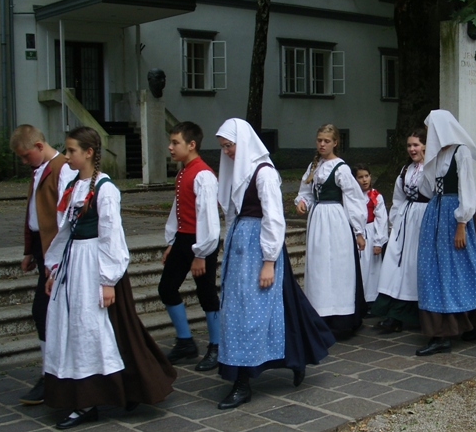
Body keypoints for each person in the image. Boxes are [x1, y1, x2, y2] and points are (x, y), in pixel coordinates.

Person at [44, 127, 175, 429]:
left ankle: (95, 399)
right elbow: (65, 231)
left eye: (72, 151)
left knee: (100, 330)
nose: (66, 156)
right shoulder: (74, 185)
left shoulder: (105, 189)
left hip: (96, 267)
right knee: (81, 330)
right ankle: (116, 390)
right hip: (74, 266)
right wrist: (55, 269)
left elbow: (111, 235)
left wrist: (107, 281)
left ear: (88, 152)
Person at [215, 119, 334, 409]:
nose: (227, 152)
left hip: (260, 247)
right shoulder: (238, 172)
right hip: (241, 248)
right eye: (223, 147)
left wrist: (269, 260)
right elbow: (232, 213)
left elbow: (273, 217)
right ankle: (291, 358)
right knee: (244, 310)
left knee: (253, 312)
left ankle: (243, 382)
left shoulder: (264, 173)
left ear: (243, 143)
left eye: (230, 146)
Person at [10, 124, 77, 405]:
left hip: (57, 251)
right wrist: (30, 250)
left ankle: (52, 374)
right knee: (45, 311)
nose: (25, 161)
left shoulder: (62, 169)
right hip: (42, 247)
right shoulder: (39, 169)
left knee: (43, 310)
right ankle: (54, 371)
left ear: (39, 146)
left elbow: (64, 218)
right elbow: (33, 213)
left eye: (26, 156)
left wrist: (56, 259)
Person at [415, 110, 476, 356]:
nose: (428, 135)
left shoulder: (460, 152)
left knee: (454, 271)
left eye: (430, 130)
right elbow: (427, 189)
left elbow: (467, 188)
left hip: (453, 215)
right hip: (435, 213)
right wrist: (425, 161)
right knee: (432, 270)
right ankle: (442, 331)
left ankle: (452, 330)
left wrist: (461, 224)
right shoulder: (437, 155)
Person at [158, 121, 222, 371]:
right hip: (184, 239)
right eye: (171, 142)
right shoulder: (183, 172)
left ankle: (216, 346)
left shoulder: (203, 175)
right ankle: (185, 341)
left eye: (176, 142)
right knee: (166, 288)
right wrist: (172, 242)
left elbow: (209, 218)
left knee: (206, 293)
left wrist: (201, 253)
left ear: (191, 144)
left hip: (201, 240)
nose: (170, 147)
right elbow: (179, 209)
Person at [295, 124, 368, 339]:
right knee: (319, 267)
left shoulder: (341, 168)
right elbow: (306, 192)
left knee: (338, 267)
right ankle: (320, 315)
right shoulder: (314, 166)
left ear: (335, 142)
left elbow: (354, 200)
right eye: (319, 140)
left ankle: (341, 318)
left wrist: (358, 231)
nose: (322, 144)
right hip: (318, 220)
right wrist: (303, 202)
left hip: (335, 221)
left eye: (326, 141)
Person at [371, 130, 432, 333]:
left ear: (425, 146)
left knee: (414, 265)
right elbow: (398, 198)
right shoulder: (406, 170)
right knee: (395, 264)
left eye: (416, 145)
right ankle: (393, 313)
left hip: (425, 218)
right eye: (409, 145)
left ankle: (415, 314)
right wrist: (396, 222)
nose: (412, 149)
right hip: (406, 221)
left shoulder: (432, 168)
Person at [353, 163, 388, 305]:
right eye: (360, 177)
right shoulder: (352, 197)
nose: (364, 180)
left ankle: (371, 298)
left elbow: (381, 219)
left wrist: (378, 241)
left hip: (371, 232)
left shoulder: (375, 196)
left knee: (372, 268)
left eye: (366, 176)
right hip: (357, 233)